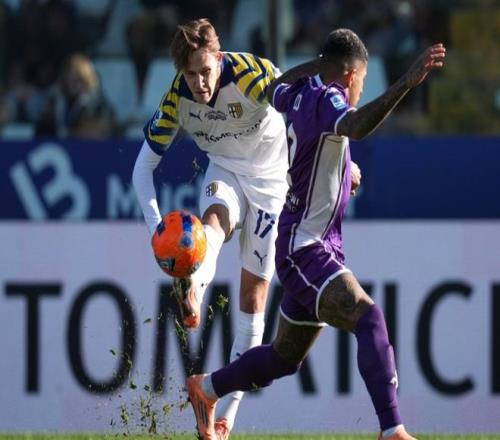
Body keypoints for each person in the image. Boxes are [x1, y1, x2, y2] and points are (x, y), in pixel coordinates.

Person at [186, 29, 446, 440]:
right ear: (350, 75)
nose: (360, 90)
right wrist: (405, 83)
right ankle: (392, 429)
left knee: (283, 358)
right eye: (361, 80)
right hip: (306, 248)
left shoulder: (299, 91)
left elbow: (274, 87)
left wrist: (342, 169)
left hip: (305, 243)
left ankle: (207, 388)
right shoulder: (329, 98)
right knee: (369, 316)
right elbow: (356, 125)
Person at [133, 18, 361, 440]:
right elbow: (141, 168)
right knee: (213, 223)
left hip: (274, 182)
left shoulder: (250, 74)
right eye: (190, 75)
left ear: (218, 58)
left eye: (205, 71)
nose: (200, 83)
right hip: (225, 170)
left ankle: (225, 416)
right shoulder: (177, 98)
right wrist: (155, 231)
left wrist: (344, 161)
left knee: (254, 298)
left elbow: (307, 107)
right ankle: (192, 286)